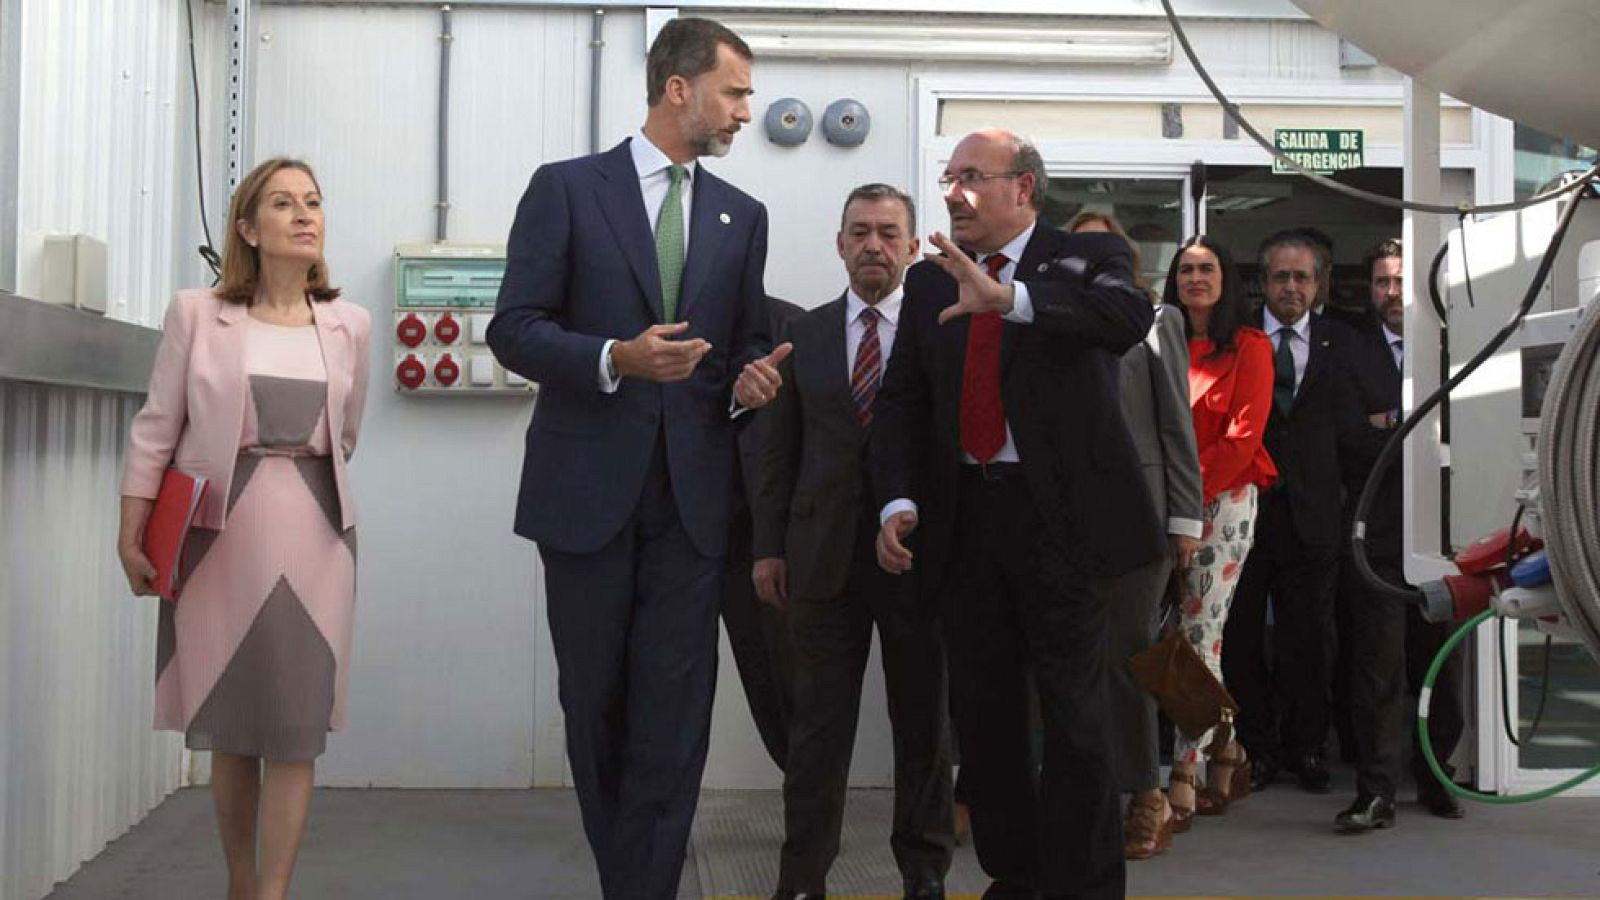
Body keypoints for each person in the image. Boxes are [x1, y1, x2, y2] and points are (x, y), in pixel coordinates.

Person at [485, 18, 789, 899]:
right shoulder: (568, 191)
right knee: (596, 707)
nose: (744, 112)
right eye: (734, 92)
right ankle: (630, 880)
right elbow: (514, 328)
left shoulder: (744, 216)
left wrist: (746, 390)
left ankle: (642, 888)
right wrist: (614, 358)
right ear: (678, 88)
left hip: (693, 508)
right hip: (586, 498)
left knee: (676, 714)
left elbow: (726, 363)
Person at [872, 128, 1162, 900]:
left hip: (1059, 524)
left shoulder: (1083, 257)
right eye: (949, 176)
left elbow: (1124, 318)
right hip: (965, 522)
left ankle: (1086, 885)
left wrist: (1013, 300)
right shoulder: (931, 282)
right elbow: (902, 399)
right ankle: (1018, 873)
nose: (954, 192)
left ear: (1024, 188)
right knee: (986, 717)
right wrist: (899, 500)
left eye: (973, 176)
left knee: (1075, 718)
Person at [117, 156, 372, 900]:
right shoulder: (197, 315)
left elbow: (347, 435)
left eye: (314, 202)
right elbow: (157, 429)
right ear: (247, 228)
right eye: (284, 203)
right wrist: (131, 532)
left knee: (296, 728)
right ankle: (239, 880)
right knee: (232, 725)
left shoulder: (350, 325)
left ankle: (273, 892)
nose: (304, 215)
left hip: (319, 533)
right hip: (217, 534)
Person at [753, 184, 954, 900]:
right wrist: (767, 548)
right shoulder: (803, 335)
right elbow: (779, 453)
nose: (874, 245)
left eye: (889, 233)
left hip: (917, 562)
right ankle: (802, 878)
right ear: (840, 243)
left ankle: (924, 873)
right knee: (817, 735)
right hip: (820, 563)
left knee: (923, 731)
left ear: (909, 243)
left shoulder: (941, 327)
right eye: (860, 232)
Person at [1069, 213, 1204, 859]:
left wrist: (1185, 518)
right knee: (1073, 659)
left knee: (1131, 655)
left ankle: (1146, 795)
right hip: (1069, 517)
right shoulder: (1054, 316)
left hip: (1143, 514)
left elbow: (1177, 421)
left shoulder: (1158, 321)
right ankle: (1085, 796)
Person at [1222, 229, 1362, 796]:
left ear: (1319, 283)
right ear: (1263, 281)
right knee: (1242, 638)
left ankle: (1307, 747)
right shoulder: (1240, 339)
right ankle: (1259, 748)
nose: (1291, 287)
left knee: (1310, 640)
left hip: (1315, 519)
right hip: (1248, 515)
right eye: (1280, 276)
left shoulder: (1343, 343)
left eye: (1302, 277)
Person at [1334, 238, 1466, 833]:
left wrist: (1387, 422)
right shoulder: (1351, 353)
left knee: (1441, 666)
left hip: (1444, 540)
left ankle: (1438, 779)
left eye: (1401, 282)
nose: (1392, 293)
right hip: (1380, 541)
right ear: (1371, 289)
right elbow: (1347, 439)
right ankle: (1377, 792)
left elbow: (1467, 433)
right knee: (1378, 673)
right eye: (1383, 282)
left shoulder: (1455, 351)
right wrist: (1402, 428)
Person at [1157, 235, 1277, 830]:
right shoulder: (1160, 342)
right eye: (1186, 269)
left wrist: (1186, 499)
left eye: (1206, 269)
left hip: (1222, 505)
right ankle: (1230, 750)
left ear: (1226, 279)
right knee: (1169, 637)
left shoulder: (1250, 346)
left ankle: (1184, 771)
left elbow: (1243, 439)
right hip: (1163, 508)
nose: (1195, 278)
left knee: (1198, 637)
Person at [724, 295, 806, 773]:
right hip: (680, 534)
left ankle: (806, 802)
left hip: (762, 539)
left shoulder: (789, 325)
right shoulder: (656, 326)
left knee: (782, 680)